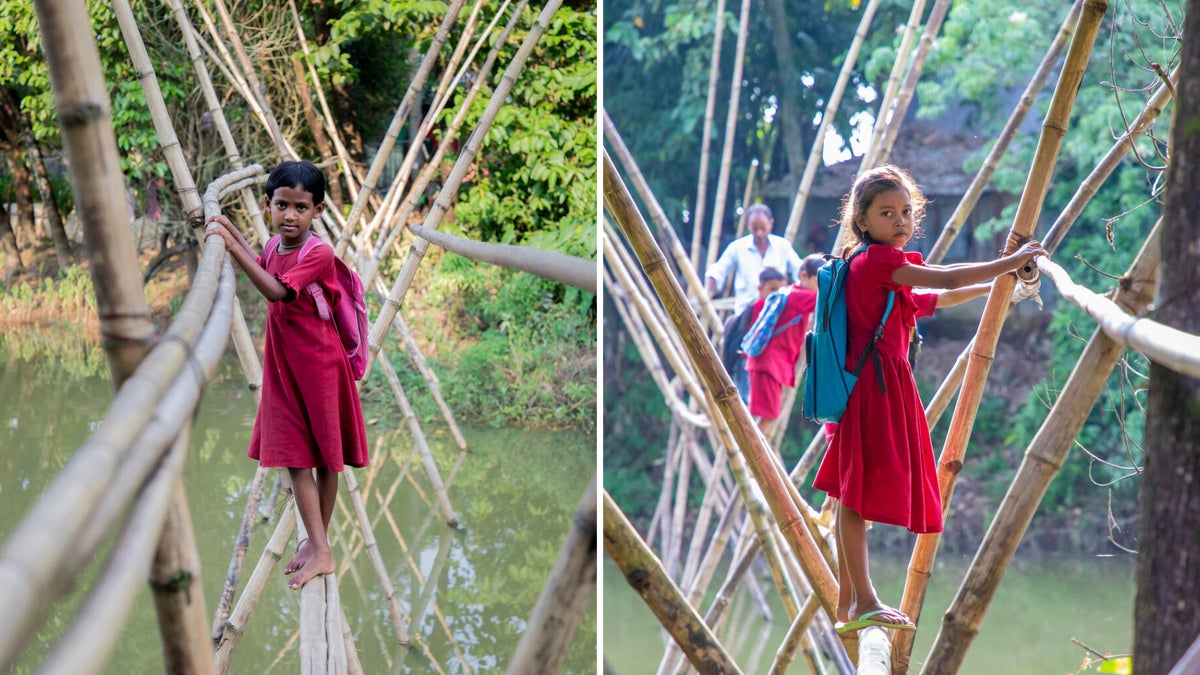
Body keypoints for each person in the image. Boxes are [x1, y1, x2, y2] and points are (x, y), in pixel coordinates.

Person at [812, 165, 1047, 632]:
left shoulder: (876, 270)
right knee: (853, 497)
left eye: (905, 212)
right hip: (874, 390)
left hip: (875, 388)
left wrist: (1004, 286)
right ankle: (863, 601)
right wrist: (1009, 262)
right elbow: (945, 278)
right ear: (861, 220)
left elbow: (930, 300)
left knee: (852, 495)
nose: (899, 221)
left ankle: (850, 602)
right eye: (886, 213)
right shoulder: (876, 261)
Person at [205, 160, 369, 590]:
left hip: (319, 366)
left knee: (324, 457)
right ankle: (317, 545)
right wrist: (225, 227)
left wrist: (230, 241)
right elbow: (261, 264)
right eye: (282, 205)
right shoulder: (275, 248)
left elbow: (276, 291)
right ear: (268, 205)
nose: (290, 215)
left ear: (317, 211)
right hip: (286, 367)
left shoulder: (318, 253)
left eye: (301, 207)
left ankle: (322, 549)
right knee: (298, 456)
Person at [745, 254, 822, 435]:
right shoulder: (799, 296)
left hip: (764, 363)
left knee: (762, 415)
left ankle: (748, 457)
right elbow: (827, 300)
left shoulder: (789, 293)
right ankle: (748, 460)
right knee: (768, 415)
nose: (822, 287)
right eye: (820, 281)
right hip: (769, 365)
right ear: (803, 276)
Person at [705, 204, 803, 314]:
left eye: (763, 228)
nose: (759, 233)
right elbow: (718, 270)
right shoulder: (737, 247)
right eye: (755, 228)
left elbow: (799, 270)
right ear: (748, 226)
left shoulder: (782, 246)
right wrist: (708, 290)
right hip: (746, 313)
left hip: (776, 313)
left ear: (770, 224)